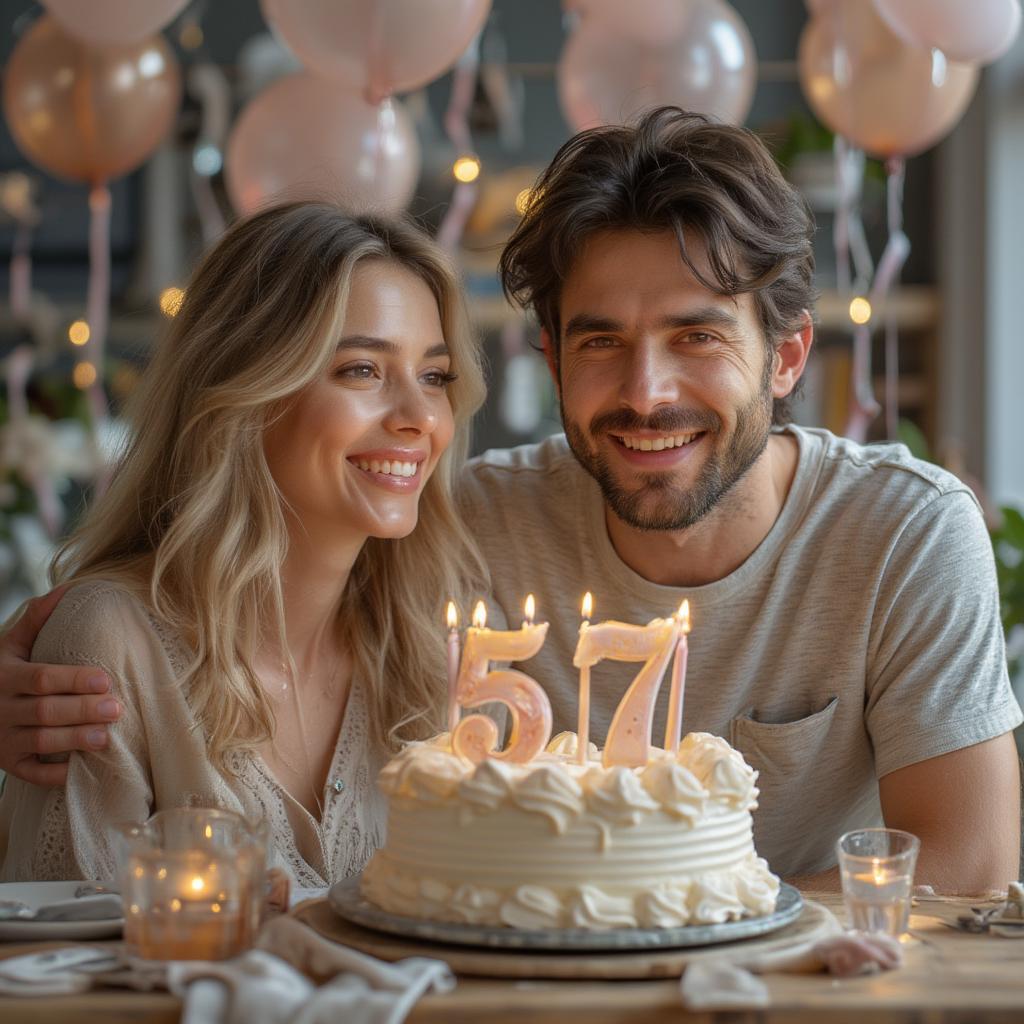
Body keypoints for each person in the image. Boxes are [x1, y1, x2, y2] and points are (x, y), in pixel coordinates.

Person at [2, 109, 1020, 891]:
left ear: (789, 354)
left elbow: (967, 860)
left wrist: (681, 922)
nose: (645, 390)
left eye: (697, 336)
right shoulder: (464, 537)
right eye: (599, 340)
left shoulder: (903, 532)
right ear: (549, 354)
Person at [0, 202, 487, 886]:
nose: (418, 419)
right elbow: (65, 970)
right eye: (361, 371)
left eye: (434, 377)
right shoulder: (110, 645)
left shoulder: (432, 653)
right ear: (248, 393)